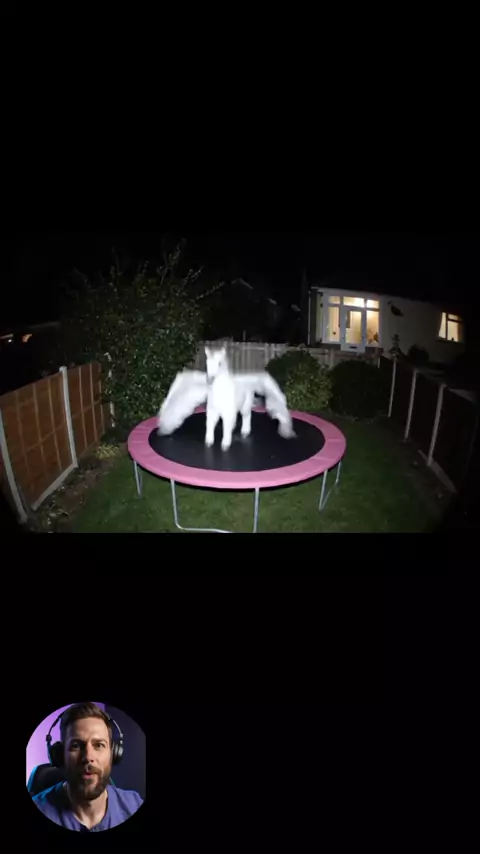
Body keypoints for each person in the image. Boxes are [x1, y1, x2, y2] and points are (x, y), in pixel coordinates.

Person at [31, 702, 143, 831]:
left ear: (113, 753)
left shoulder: (134, 806)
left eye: (99, 745)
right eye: (76, 746)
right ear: (61, 755)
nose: (88, 757)